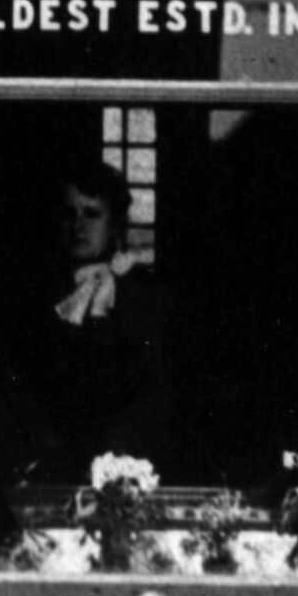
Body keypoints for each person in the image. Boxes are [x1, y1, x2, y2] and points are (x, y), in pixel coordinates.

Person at [26, 160, 175, 479]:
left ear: (116, 225)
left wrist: (117, 458)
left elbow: (153, 394)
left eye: (92, 214)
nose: (79, 225)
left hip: (124, 467)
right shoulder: (43, 296)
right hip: (53, 466)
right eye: (70, 213)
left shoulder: (141, 294)